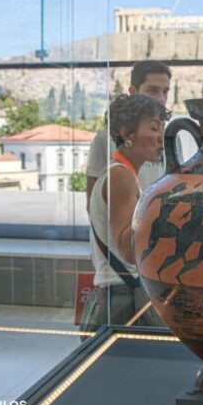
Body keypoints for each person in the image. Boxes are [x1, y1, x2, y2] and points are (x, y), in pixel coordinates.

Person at [79, 94, 168, 332]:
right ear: (127, 133)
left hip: (120, 294)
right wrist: (162, 209)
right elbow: (128, 250)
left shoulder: (125, 175)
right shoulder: (120, 177)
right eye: (153, 128)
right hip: (122, 299)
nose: (162, 137)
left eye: (163, 128)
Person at [85, 60, 172, 210]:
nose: (161, 99)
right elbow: (93, 204)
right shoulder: (104, 140)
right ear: (133, 92)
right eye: (153, 90)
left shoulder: (169, 138)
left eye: (165, 92)